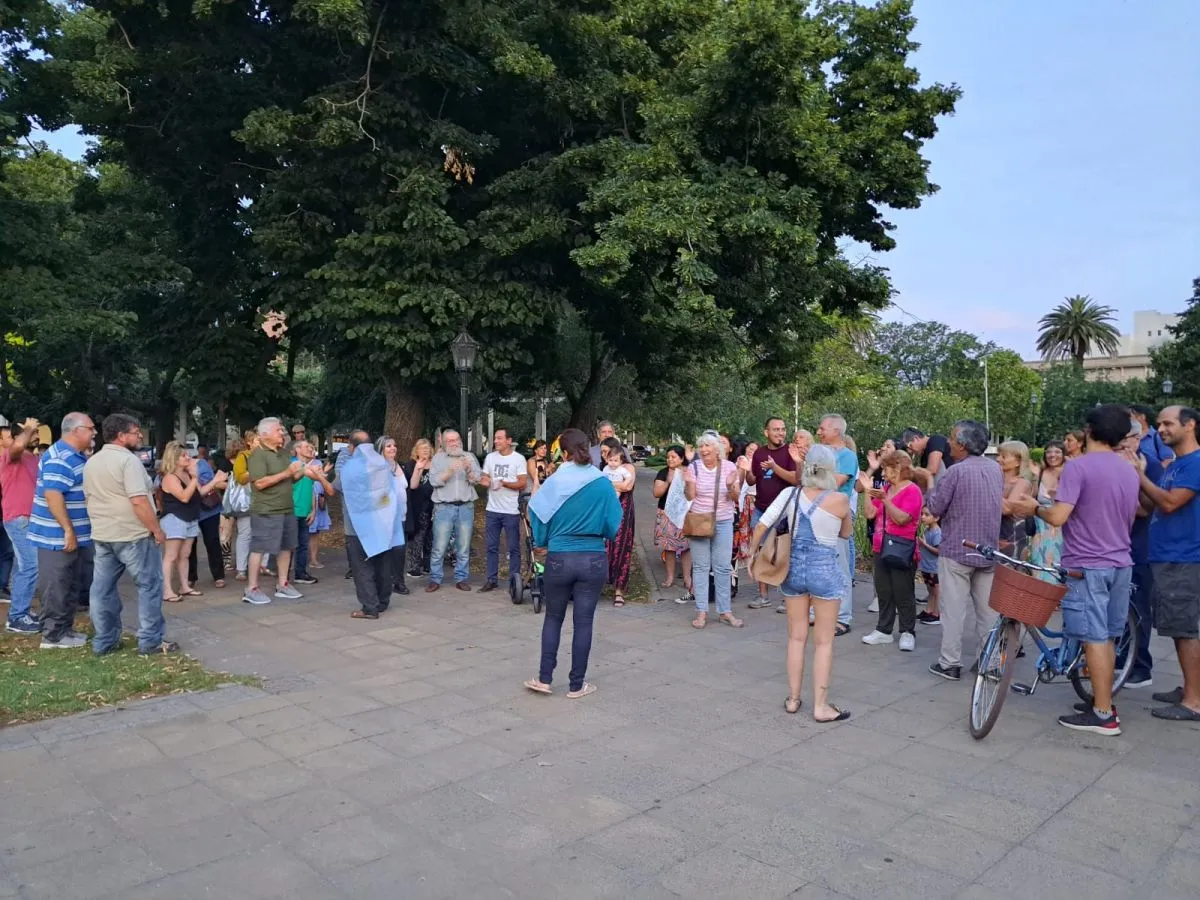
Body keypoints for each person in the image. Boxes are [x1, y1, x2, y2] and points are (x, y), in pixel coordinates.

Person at [1013, 404, 1140, 735]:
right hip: (1120, 561)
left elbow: (1058, 517)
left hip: (1087, 564)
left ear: (1088, 431)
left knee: (1094, 638)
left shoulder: (1078, 467)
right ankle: (1102, 700)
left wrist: (1035, 507)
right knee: (1107, 636)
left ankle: (1103, 715)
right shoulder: (1129, 469)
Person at [751, 445, 852, 722]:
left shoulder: (790, 494)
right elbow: (845, 534)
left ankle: (793, 699)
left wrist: (751, 555)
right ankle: (821, 706)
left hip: (793, 570)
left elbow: (762, 525)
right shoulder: (840, 500)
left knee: (796, 637)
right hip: (825, 572)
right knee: (824, 642)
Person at [523, 428, 622, 699]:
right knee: (584, 621)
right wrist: (601, 532)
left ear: (564, 453)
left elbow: (536, 514)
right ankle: (577, 685)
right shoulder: (602, 482)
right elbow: (614, 522)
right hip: (593, 558)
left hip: (560, 558)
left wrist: (543, 540)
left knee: (553, 618)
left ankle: (544, 679)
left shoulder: (555, 482)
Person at [84, 415, 178, 655]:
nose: (140, 436)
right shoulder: (128, 461)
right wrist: (156, 529)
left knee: (101, 589)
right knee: (149, 586)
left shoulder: (92, 461)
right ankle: (150, 640)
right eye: (136, 432)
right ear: (121, 436)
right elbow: (138, 501)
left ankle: (105, 641)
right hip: (133, 534)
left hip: (103, 533)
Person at [1136, 406, 1200, 722]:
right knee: (1178, 627)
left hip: (1182, 557)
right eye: (1159, 424)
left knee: (1184, 629)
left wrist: (1139, 476)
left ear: (1190, 425)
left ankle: (1193, 702)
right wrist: (1138, 479)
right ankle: (1191, 687)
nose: (1160, 429)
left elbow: (1172, 503)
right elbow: (1153, 505)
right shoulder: (1176, 464)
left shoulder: (1195, 463)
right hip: (1168, 556)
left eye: (1168, 423)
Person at [927, 420, 1003, 681]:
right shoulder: (995, 469)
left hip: (957, 550)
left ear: (961, 444)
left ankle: (950, 663)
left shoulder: (955, 472)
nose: (948, 443)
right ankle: (991, 662)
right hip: (987, 549)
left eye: (951, 439)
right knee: (988, 612)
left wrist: (929, 484)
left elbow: (935, 507)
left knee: (953, 611)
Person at [29, 412, 96, 649]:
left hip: (74, 534)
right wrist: (68, 530)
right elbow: (53, 495)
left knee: (69, 583)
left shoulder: (75, 456)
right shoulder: (60, 457)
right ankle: (52, 635)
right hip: (56, 536)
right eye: (90, 428)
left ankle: (65, 629)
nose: (94, 432)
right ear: (76, 431)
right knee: (56, 584)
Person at [860, 450, 922, 651]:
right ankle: (883, 630)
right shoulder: (886, 488)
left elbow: (903, 518)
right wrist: (868, 492)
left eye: (886, 468)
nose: (883, 473)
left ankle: (907, 631)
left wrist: (886, 500)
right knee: (884, 590)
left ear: (898, 468)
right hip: (881, 546)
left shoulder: (912, 490)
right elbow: (870, 513)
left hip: (902, 547)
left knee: (903, 591)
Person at [242, 417, 308, 605]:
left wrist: (302, 471)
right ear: (265, 434)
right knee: (259, 548)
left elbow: (290, 479)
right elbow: (260, 483)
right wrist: (287, 473)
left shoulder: (283, 453)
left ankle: (283, 584)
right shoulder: (257, 455)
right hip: (266, 509)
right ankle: (252, 588)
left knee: (287, 546)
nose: (282, 433)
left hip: (287, 508)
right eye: (278, 430)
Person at [339, 439, 406, 618]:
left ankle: (370, 607)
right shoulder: (382, 467)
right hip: (382, 524)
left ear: (353, 448)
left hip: (358, 527)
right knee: (383, 564)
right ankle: (383, 601)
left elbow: (335, 488)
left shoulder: (350, 468)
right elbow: (389, 495)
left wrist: (319, 477)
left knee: (362, 567)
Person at [684, 430, 744, 629]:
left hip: (724, 521)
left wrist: (731, 485)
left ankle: (725, 611)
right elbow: (690, 496)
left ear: (717, 449)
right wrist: (688, 483)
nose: (703, 449)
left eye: (707, 445)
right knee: (701, 567)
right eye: (701, 446)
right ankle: (701, 612)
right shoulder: (694, 467)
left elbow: (735, 498)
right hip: (699, 520)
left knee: (723, 567)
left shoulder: (729, 467)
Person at [159, 441, 226, 602]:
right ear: (174, 459)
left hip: (191, 518)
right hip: (175, 518)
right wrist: (195, 477)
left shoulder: (187, 475)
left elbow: (200, 492)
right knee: (171, 555)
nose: (188, 458)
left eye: (187, 455)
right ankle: (166, 590)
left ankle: (185, 586)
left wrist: (214, 481)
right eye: (183, 456)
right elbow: (184, 497)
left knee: (185, 554)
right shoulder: (170, 478)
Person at [744, 417, 798, 610]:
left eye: (783, 429)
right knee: (761, 552)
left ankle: (787, 597)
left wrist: (774, 468)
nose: (780, 433)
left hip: (784, 513)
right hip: (761, 509)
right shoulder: (759, 453)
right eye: (776, 429)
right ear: (766, 432)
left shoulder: (790, 452)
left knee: (785, 553)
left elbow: (796, 479)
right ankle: (763, 596)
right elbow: (752, 480)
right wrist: (746, 470)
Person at [817, 414, 858, 635]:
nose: (819, 432)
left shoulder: (847, 456)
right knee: (818, 565)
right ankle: (818, 612)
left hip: (837, 516)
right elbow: (805, 480)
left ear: (836, 431)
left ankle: (842, 617)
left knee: (840, 567)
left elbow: (836, 482)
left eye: (822, 428)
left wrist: (815, 475)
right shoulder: (819, 453)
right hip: (817, 514)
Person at [426, 429, 482, 592]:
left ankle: (461, 578)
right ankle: (435, 579)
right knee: (439, 546)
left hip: (465, 507)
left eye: (457, 439)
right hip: (444, 507)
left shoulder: (469, 457)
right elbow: (434, 481)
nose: (455, 443)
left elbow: (477, 479)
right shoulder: (438, 459)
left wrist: (469, 469)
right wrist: (449, 471)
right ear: (443, 443)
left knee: (463, 546)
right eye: (450, 441)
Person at [2, 417, 42, 634]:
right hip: (18, 518)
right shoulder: (11, 455)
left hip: (30, 519)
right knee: (30, 566)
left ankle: (20, 611)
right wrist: (27, 428)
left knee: (23, 566)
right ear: (19, 436)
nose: (36, 436)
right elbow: (17, 446)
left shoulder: (32, 459)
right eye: (33, 433)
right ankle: (17, 617)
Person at [480, 428, 527, 593]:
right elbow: (484, 477)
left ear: (509, 440)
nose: (496, 441)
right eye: (495, 438)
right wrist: (486, 482)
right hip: (492, 509)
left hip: (511, 510)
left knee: (513, 547)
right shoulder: (490, 457)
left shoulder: (518, 459)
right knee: (491, 546)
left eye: (499, 438)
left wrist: (504, 483)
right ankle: (491, 579)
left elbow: (522, 483)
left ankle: (514, 581)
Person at [597, 437, 637, 607]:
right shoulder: (603, 468)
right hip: (605, 511)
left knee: (621, 547)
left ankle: (619, 590)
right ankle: (598, 584)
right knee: (602, 548)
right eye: (602, 452)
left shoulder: (627, 467)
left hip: (623, 511)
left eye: (606, 451)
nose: (604, 455)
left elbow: (627, 487)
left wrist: (608, 484)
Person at [652, 445, 692, 600]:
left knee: (686, 547)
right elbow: (656, 493)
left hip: (685, 514)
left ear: (681, 458)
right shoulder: (663, 472)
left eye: (674, 457)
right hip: (666, 513)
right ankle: (670, 577)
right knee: (669, 547)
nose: (670, 459)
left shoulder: (688, 472)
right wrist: (668, 481)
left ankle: (687, 578)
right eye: (668, 457)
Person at [187, 445, 227, 589]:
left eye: (185, 454)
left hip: (208, 509)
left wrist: (195, 479)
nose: (185, 457)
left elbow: (210, 484)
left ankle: (218, 575)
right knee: (189, 544)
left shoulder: (201, 464)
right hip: (189, 510)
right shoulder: (174, 469)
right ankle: (190, 577)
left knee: (212, 541)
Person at [374, 436, 410, 595]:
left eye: (394, 445)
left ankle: (398, 581)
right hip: (385, 517)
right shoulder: (377, 467)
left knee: (399, 550)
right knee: (386, 551)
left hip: (401, 515)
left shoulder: (398, 465)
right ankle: (383, 582)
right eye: (388, 446)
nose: (393, 448)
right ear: (381, 449)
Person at [1029, 440, 1067, 585]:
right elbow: (1034, 496)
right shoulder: (1041, 472)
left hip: (1060, 526)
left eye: (1057, 451)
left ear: (1064, 454)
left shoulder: (1069, 473)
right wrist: (1034, 477)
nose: (1052, 455)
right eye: (1049, 452)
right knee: (1038, 562)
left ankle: (1057, 592)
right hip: (1041, 527)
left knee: (1057, 561)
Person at [997, 440, 1035, 558]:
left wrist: (988, 491)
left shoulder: (1022, 483)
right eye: (999, 455)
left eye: (1003, 456)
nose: (998, 459)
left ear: (1018, 462)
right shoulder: (998, 479)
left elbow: (1007, 509)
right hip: (996, 535)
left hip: (1012, 536)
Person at [402, 439, 434, 577]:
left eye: (427, 448)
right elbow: (412, 485)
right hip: (417, 505)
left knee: (430, 537)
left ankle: (427, 564)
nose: (425, 450)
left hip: (433, 505)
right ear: (416, 451)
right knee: (416, 537)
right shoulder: (411, 464)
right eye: (422, 448)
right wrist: (419, 468)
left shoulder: (435, 464)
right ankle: (413, 566)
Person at [917, 508, 942, 625]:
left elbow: (939, 551)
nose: (922, 517)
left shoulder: (937, 533)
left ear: (936, 518)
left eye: (927, 515)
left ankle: (937, 614)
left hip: (934, 568)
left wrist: (924, 544)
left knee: (936, 591)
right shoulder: (927, 530)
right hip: (926, 566)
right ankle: (929, 610)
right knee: (930, 590)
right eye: (922, 514)